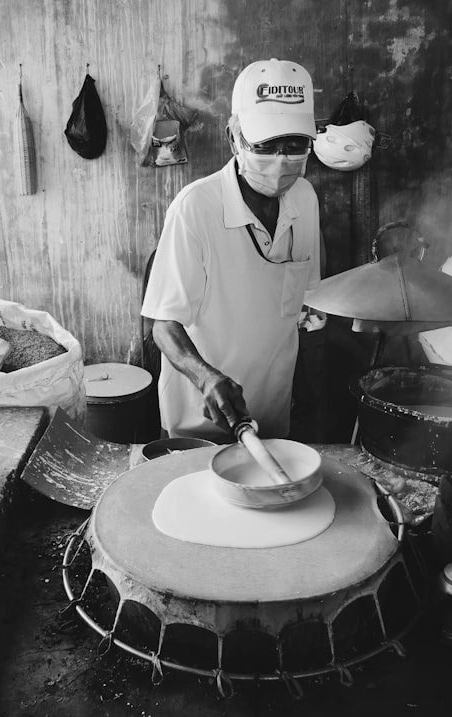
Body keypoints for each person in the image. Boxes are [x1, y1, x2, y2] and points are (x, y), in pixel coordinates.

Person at [141, 58, 323, 442]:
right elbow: (163, 324)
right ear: (233, 138)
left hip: (273, 414)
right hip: (201, 419)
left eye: (295, 144)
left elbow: (303, 306)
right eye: (267, 145)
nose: (282, 159)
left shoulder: (305, 199)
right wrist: (206, 378)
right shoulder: (196, 208)